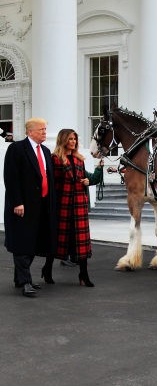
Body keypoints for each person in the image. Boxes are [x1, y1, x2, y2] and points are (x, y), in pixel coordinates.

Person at [39, 129, 104, 287]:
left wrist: (96, 171)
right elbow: (51, 183)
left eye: (74, 139)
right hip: (63, 204)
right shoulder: (55, 159)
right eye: (70, 139)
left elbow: (87, 178)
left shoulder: (79, 159)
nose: (73, 142)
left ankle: (84, 274)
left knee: (81, 241)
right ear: (63, 140)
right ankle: (47, 268)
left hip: (79, 205)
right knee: (58, 239)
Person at [3, 118, 56, 297]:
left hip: (42, 205)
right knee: (22, 244)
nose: (44, 132)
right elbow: (11, 178)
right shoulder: (16, 149)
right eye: (41, 129)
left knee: (34, 243)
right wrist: (17, 202)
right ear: (30, 131)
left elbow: (48, 178)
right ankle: (25, 281)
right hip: (22, 206)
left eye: (45, 129)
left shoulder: (46, 151)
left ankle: (20, 279)